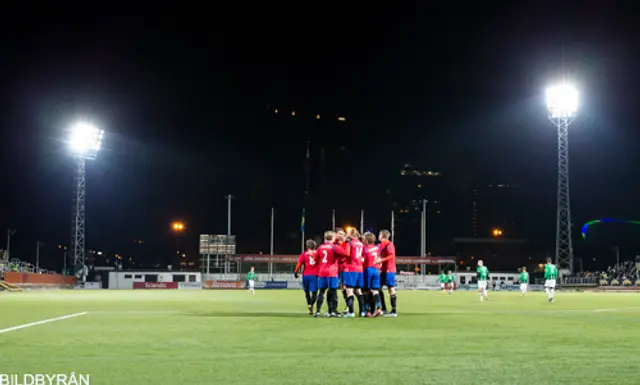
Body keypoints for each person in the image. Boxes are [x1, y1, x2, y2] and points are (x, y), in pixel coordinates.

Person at [316, 231, 348, 317]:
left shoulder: (320, 247)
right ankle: (333, 311)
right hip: (332, 272)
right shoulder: (334, 247)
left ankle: (318, 312)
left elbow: (316, 259)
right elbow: (345, 253)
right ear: (333, 238)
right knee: (333, 292)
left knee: (321, 292)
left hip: (322, 272)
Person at [342, 229, 365, 317]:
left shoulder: (350, 243)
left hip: (351, 268)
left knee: (349, 290)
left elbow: (347, 254)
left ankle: (351, 312)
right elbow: (363, 256)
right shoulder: (360, 243)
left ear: (351, 234)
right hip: (360, 268)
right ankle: (362, 312)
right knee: (358, 290)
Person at [294, 239, 319, 315]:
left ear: (307, 246)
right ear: (314, 246)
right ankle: (311, 305)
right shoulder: (318, 253)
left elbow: (299, 264)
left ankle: (309, 305)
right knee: (314, 293)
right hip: (315, 275)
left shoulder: (304, 254)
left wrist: (295, 272)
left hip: (306, 275)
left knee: (307, 292)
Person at [362, 232, 383, 317]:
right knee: (375, 290)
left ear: (366, 241)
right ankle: (378, 307)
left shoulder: (365, 249)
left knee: (366, 291)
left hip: (368, 269)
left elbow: (363, 260)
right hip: (376, 270)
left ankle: (367, 310)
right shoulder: (377, 248)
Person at [378, 230, 398, 317]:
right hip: (383, 270)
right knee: (377, 288)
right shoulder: (382, 245)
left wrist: (382, 260)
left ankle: (393, 311)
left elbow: (391, 255)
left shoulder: (389, 244)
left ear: (382, 235)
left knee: (390, 288)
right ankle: (384, 308)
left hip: (389, 270)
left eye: (379, 234)